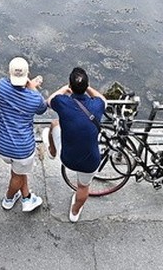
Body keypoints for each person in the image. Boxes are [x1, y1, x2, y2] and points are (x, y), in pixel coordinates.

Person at [47, 67, 107, 222]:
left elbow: (49, 101)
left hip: (68, 158)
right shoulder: (97, 105)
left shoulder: (63, 102)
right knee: (83, 187)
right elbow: (104, 100)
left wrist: (63, 89)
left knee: (54, 124)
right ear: (87, 86)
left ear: (70, 85)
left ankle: (52, 151)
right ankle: (74, 213)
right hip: (90, 162)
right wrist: (88, 88)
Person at [0, 56, 48, 213]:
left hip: (2, 145)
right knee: (17, 175)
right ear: (28, 74)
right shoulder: (34, 98)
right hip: (22, 149)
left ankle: (26, 197)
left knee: (18, 171)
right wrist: (33, 87)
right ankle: (9, 199)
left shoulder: (2, 86)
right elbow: (43, 108)